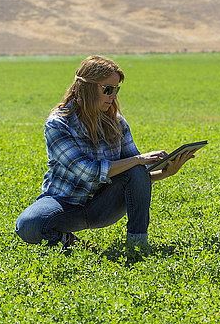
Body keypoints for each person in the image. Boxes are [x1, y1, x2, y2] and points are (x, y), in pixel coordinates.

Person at [15, 55, 195, 250]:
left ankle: (137, 246)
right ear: (87, 88)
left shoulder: (117, 122)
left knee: (136, 169)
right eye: (107, 89)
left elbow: (135, 177)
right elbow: (87, 171)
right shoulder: (58, 124)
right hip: (64, 202)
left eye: (116, 90)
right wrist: (138, 160)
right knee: (28, 226)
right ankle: (69, 242)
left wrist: (165, 172)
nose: (113, 96)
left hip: (103, 204)